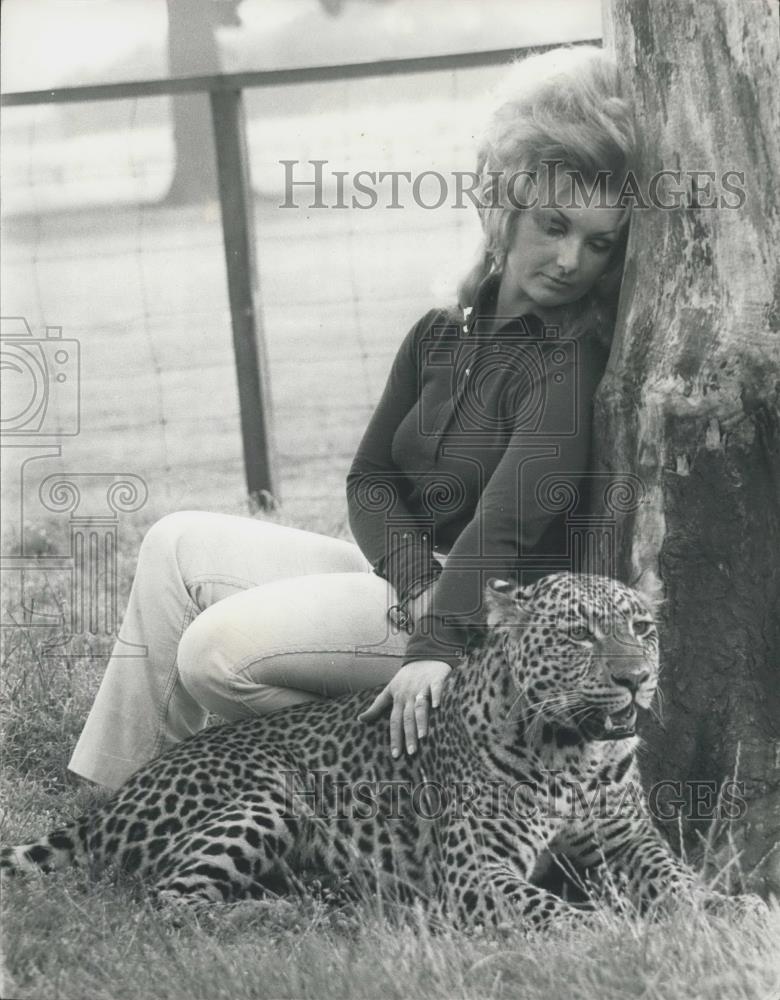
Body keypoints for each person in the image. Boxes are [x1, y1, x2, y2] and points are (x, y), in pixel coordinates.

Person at [68, 45, 636, 791]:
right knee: (177, 543)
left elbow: (506, 527)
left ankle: (344, 789)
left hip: (487, 628)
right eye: (553, 224)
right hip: (410, 588)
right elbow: (371, 479)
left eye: (597, 243)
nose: (569, 260)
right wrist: (410, 580)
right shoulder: (442, 332)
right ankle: (110, 790)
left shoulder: (566, 363)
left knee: (214, 654)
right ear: (504, 206)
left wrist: (433, 641)